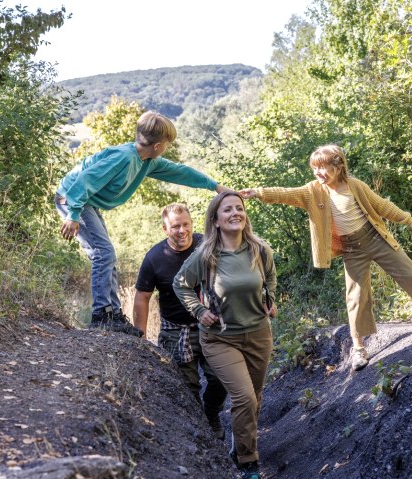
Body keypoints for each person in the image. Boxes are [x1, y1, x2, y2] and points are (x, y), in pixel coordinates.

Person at [240, 144, 412, 372]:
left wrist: (408, 220)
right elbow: (285, 194)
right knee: (355, 296)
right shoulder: (313, 191)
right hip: (351, 250)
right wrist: (258, 192)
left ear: (338, 167)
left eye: (323, 168)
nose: (318, 173)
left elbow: (381, 205)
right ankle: (358, 347)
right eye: (315, 169)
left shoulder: (355, 186)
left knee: (411, 274)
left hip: (375, 239)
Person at [54, 110, 231, 336]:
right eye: (167, 145)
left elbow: (180, 172)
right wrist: (73, 214)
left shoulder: (148, 161)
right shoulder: (125, 158)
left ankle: (113, 313)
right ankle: (101, 316)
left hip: (86, 201)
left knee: (108, 254)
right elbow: (85, 179)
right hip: (72, 198)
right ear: (157, 146)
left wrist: (214, 186)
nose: (166, 149)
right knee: (103, 252)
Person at [173, 192, 277, 479]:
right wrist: (198, 310)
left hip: (258, 334)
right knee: (244, 397)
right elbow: (180, 284)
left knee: (254, 397)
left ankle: (239, 446)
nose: (235, 213)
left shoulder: (259, 250)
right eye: (227, 209)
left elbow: (269, 278)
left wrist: (271, 299)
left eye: (239, 208)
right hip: (220, 338)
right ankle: (248, 462)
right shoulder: (205, 256)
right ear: (216, 220)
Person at [133, 203, 228, 439]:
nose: (182, 230)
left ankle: (212, 413)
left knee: (221, 378)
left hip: (211, 324)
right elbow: (142, 296)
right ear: (165, 228)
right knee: (187, 388)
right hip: (175, 330)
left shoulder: (206, 244)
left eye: (186, 224)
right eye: (175, 226)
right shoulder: (155, 257)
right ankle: (201, 434)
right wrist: (140, 336)